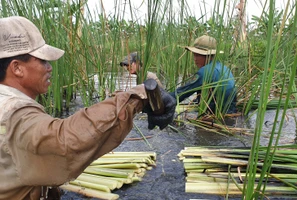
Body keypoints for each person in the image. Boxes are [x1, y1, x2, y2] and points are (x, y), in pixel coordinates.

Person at [0, 16, 176, 200]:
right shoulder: (11, 110)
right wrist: (136, 98)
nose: (49, 68)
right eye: (43, 61)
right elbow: (64, 142)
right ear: (17, 68)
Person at [170, 35, 237, 114]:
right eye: (194, 54)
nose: (195, 59)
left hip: (214, 115)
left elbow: (183, 93)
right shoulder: (224, 68)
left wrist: (164, 99)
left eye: (198, 55)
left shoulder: (204, 72)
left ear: (208, 56)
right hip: (230, 113)